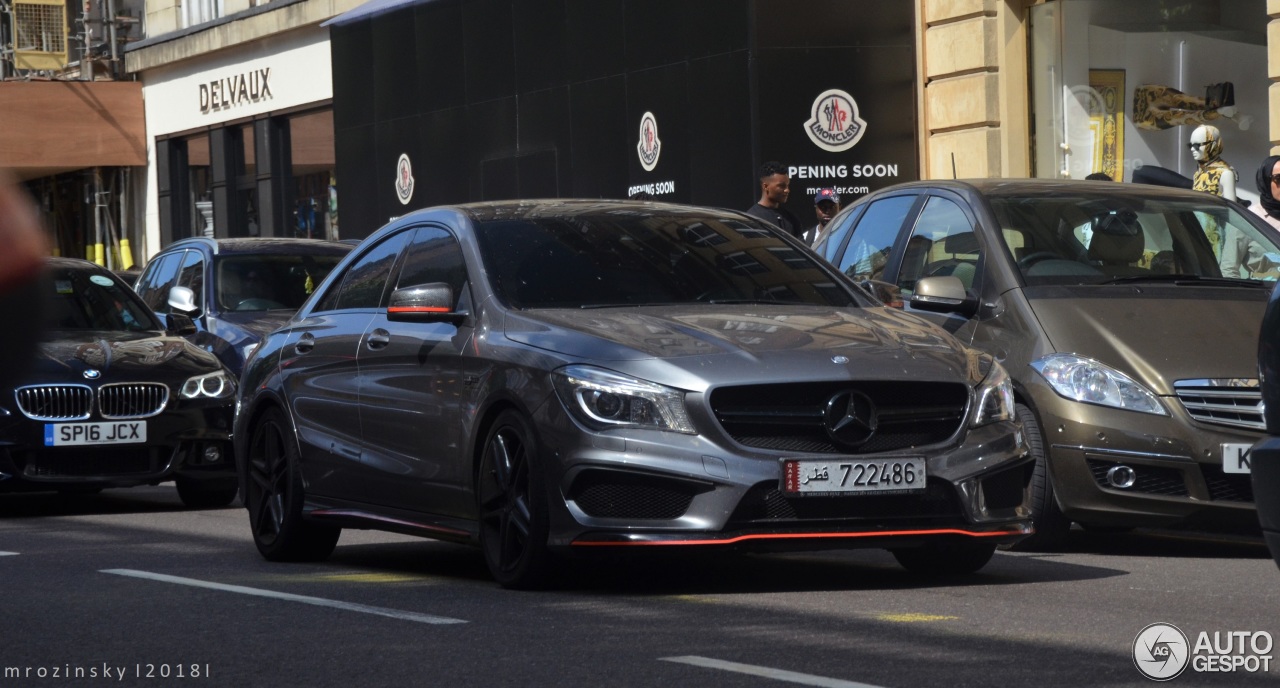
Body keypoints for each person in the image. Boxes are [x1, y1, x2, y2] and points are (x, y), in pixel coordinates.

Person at [1222, 156, 1280, 278]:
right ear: (1265, 181)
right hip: (1265, 293)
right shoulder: (1249, 219)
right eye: (1279, 179)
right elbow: (1229, 270)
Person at [744, 161, 801, 238]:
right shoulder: (752, 219)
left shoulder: (791, 218)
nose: (787, 190)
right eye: (781, 186)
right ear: (765, 186)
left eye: (787, 185)